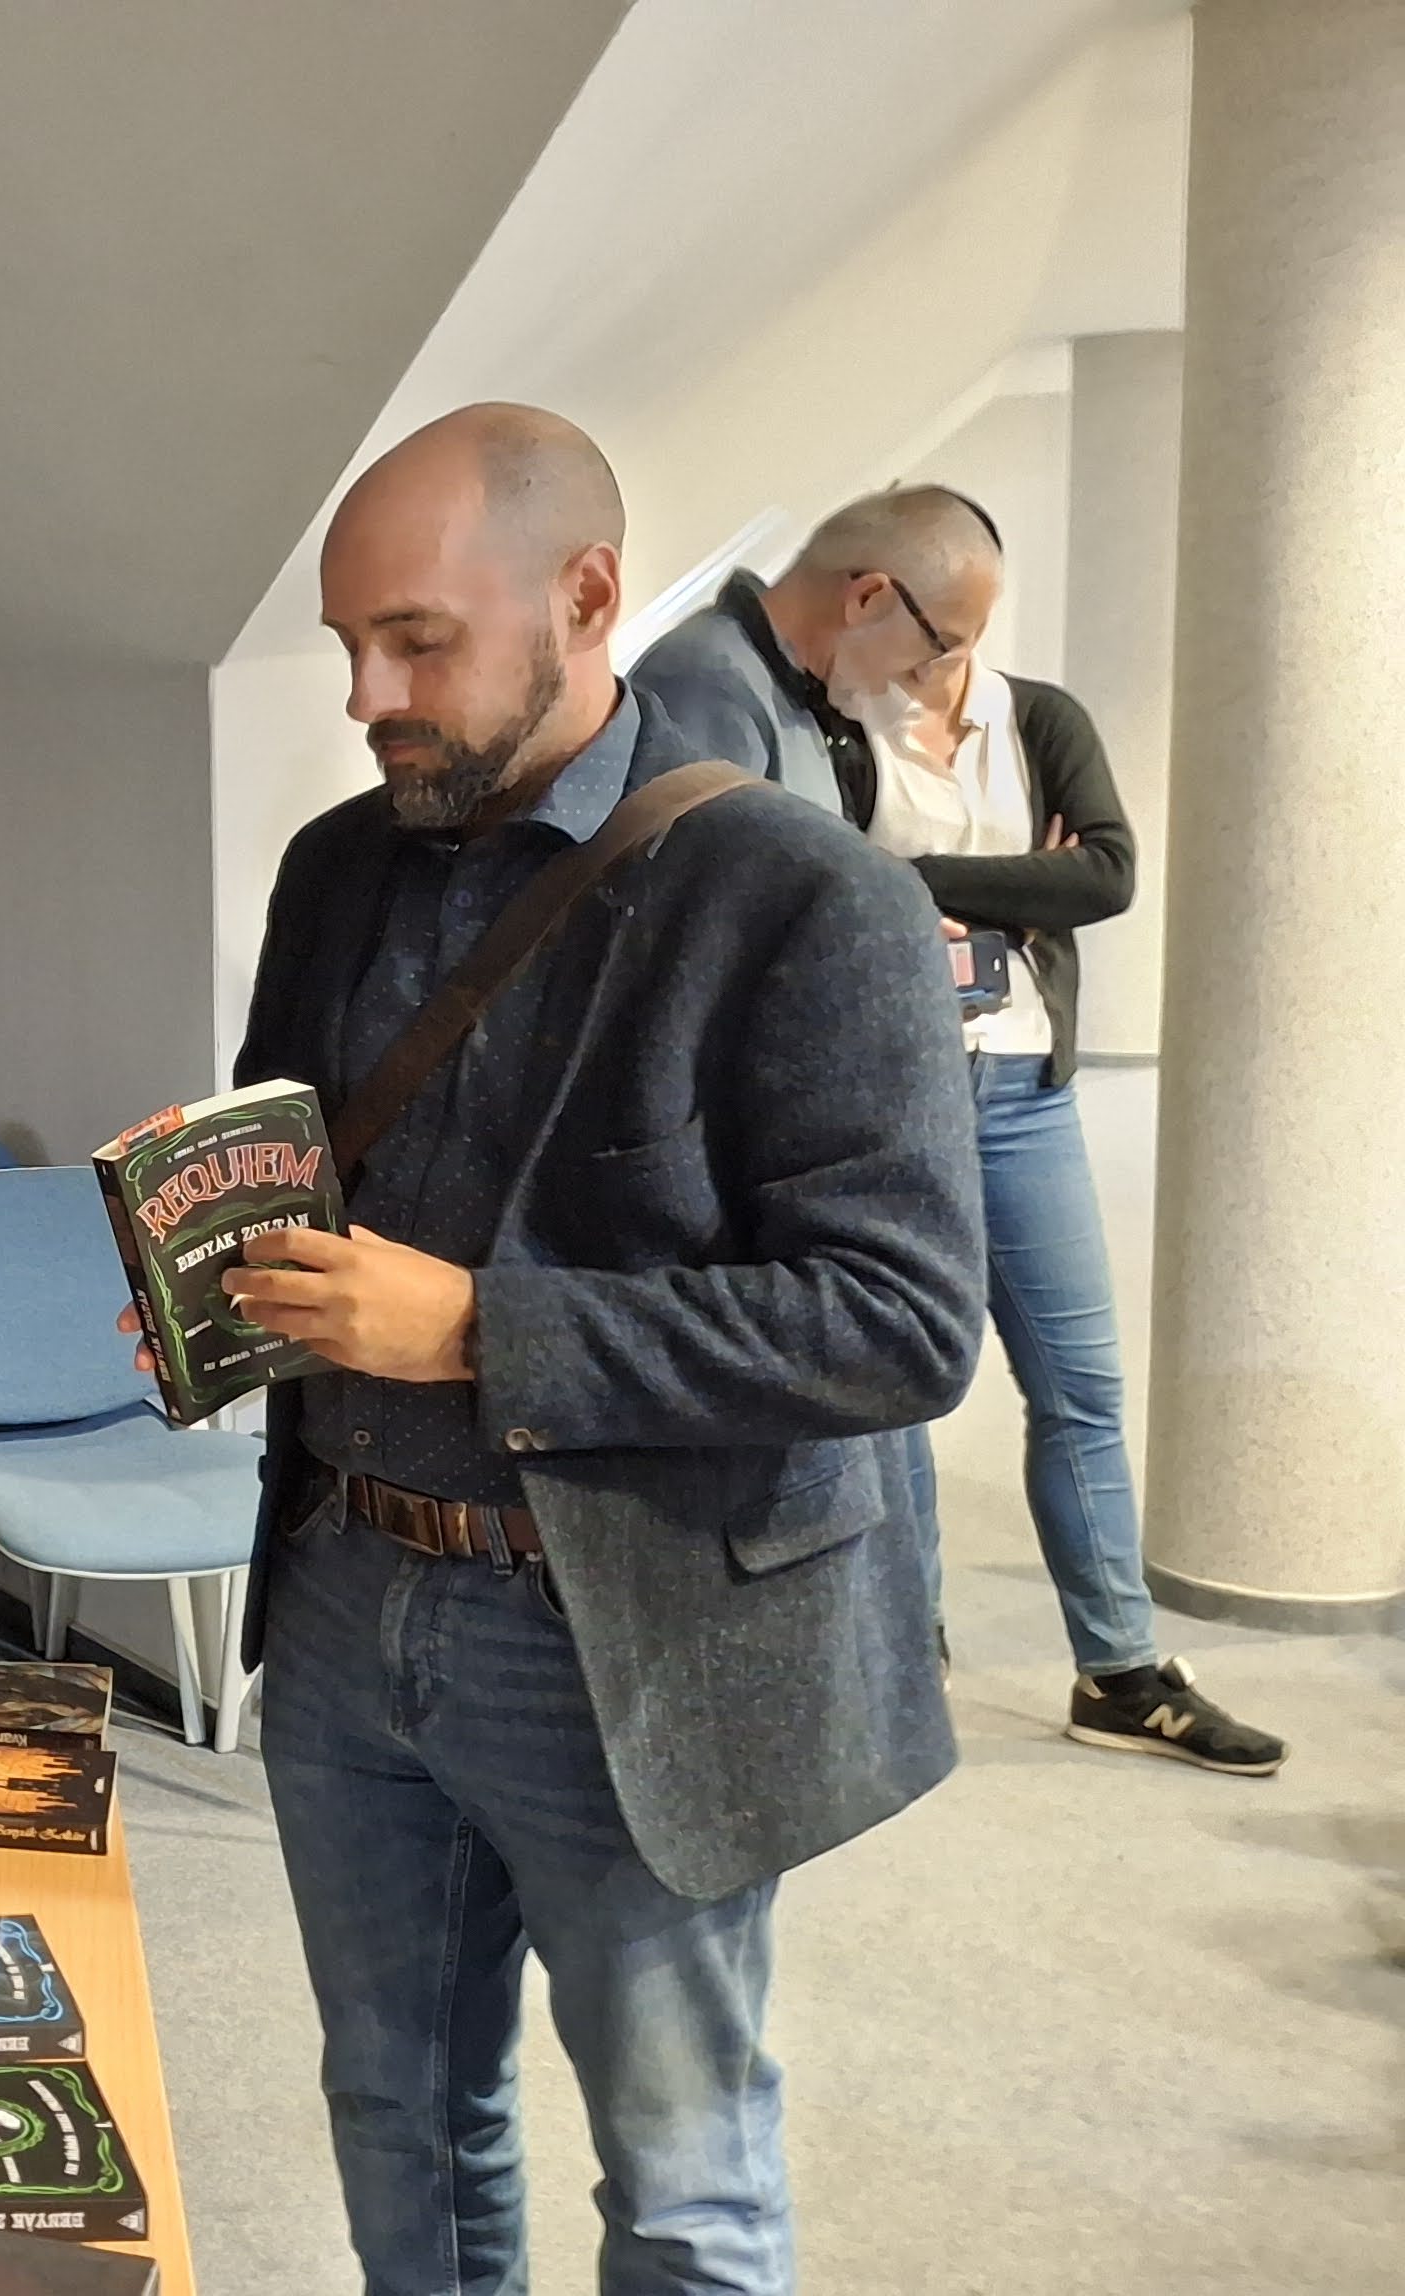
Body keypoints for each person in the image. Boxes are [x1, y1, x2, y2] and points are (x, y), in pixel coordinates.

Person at [222, 404, 983, 2293]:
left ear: (584, 596)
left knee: (682, 2180)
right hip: (343, 1587)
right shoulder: (338, 868)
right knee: (398, 2106)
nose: (368, 697)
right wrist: (215, 1269)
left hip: (630, 1634)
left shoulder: (810, 899)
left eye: (416, 642)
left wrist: (482, 1330)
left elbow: (899, 1324)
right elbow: (294, 1156)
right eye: (349, 647)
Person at [638, 487, 1285, 1775]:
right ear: (875, 597)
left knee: (1078, 1382)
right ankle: (912, 1641)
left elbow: (1099, 874)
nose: (949, 663)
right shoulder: (789, 703)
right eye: (941, 638)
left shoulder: (1025, 717)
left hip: (1024, 1087)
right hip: (897, 1086)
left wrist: (906, 887)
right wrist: (927, 903)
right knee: (899, 1379)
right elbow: (783, 900)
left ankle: (1119, 1667)